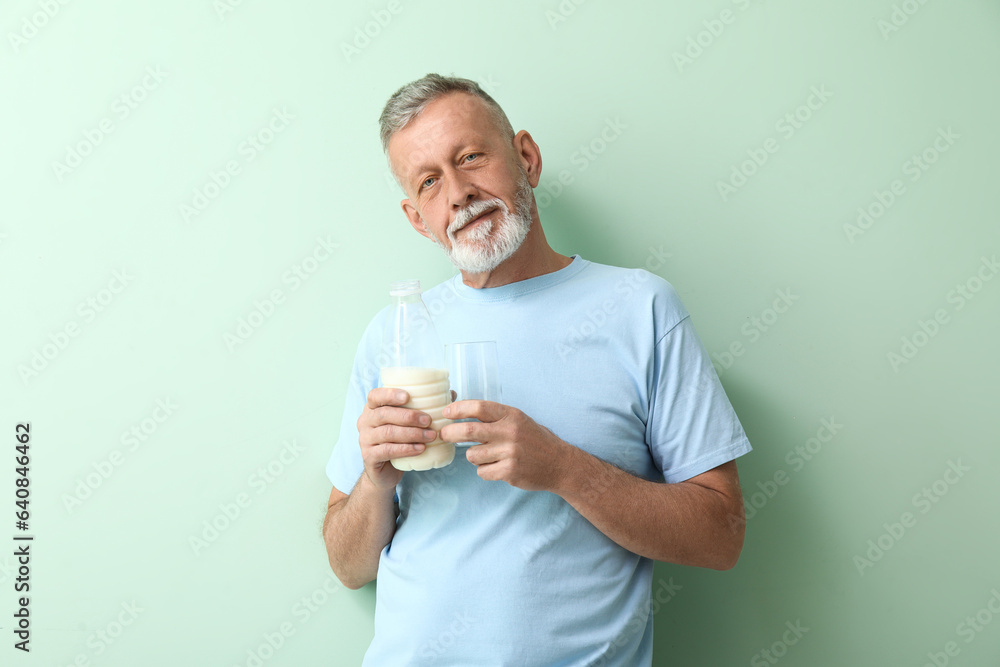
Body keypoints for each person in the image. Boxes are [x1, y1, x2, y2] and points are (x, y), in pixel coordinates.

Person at [322, 73, 753, 666]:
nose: (458, 194)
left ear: (526, 157)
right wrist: (375, 481)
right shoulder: (394, 336)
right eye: (429, 182)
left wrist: (564, 469)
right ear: (417, 219)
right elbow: (348, 566)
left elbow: (721, 535)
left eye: (470, 157)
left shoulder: (641, 309)